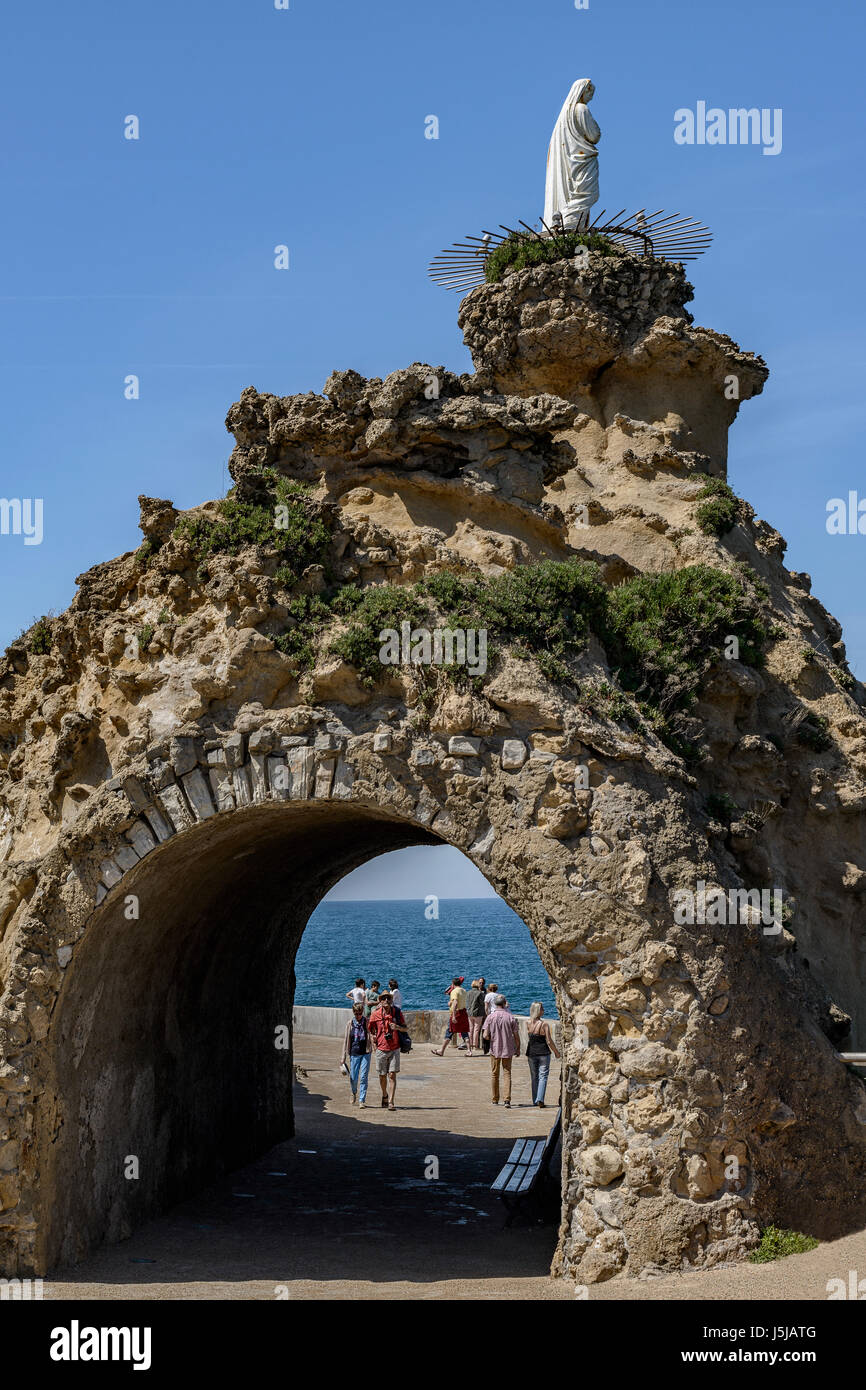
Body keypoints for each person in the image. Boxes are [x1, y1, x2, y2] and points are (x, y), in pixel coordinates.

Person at [368, 989, 409, 1111]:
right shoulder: (375, 1014)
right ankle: (384, 1095)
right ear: (380, 1001)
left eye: (388, 998)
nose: (386, 1000)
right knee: (382, 1076)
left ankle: (391, 1101)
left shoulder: (397, 1012)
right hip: (381, 1048)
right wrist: (373, 1042)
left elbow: (405, 1028)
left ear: (391, 1000)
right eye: (384, 998)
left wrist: (397, 1027)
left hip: (394, 1048)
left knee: (392, 1075)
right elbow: (370, 1030)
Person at [482, 995, 520, 1107]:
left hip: (494, 1049)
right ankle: (507, 1099)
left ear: (495, 1004)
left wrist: (492, 1038)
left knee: (494, 1074)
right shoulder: (510, 1017)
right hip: (508, 1049)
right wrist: (518, 1048)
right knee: (507, 1073)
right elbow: (516, 1035)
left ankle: (495, 1099)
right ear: (504, 1004)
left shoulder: (490, 1017)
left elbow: (485, 1035)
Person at [526, 1002, 561, 1108]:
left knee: (534, 1077)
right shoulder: (544, 1024)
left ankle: (535, 1100)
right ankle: (540, 1099)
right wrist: (556, 1052)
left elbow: (530, 1038)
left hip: (531, 1052)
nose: (544, 1010)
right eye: (542, 1009)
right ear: (538, 1011)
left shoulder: (527, 1023)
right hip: (544, 1053)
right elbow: (549, 1041)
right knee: (543, 1076)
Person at [431, 976, 473, 1056]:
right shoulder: (464, 991)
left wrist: (453, 1015)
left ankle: (441, 1051)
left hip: (457, 1013)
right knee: (465, 1032)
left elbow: (456, 1003)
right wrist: (451, 1002)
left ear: (453, 984)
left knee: (449, 1032)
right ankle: (469, 1051)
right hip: (464, 1012)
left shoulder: (454, 991)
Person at [341, 1000, 372, 1108]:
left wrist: (374, 1046)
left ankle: (362, 1100)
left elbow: (371, 1035)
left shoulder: (367, 1022)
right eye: (356, 1013)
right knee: (353, 1078)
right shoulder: (350, 1023)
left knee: (363, 1077)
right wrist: (343, 1057)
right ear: (353, 1012)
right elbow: (345, 1040)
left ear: (362, 1012)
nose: (358, 1015)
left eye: (360, 1013)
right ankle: (353, 1092)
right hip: (354, 1053)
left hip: (366, 1053)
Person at [466, 979, 486, 1052]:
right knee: (476, 1030)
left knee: (470, 1029)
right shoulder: (480, 993)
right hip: (478, 1013)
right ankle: (475, 1045)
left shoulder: (468, 992)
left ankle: (470, 1045)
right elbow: (482, 1003)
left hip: (469, 1013)